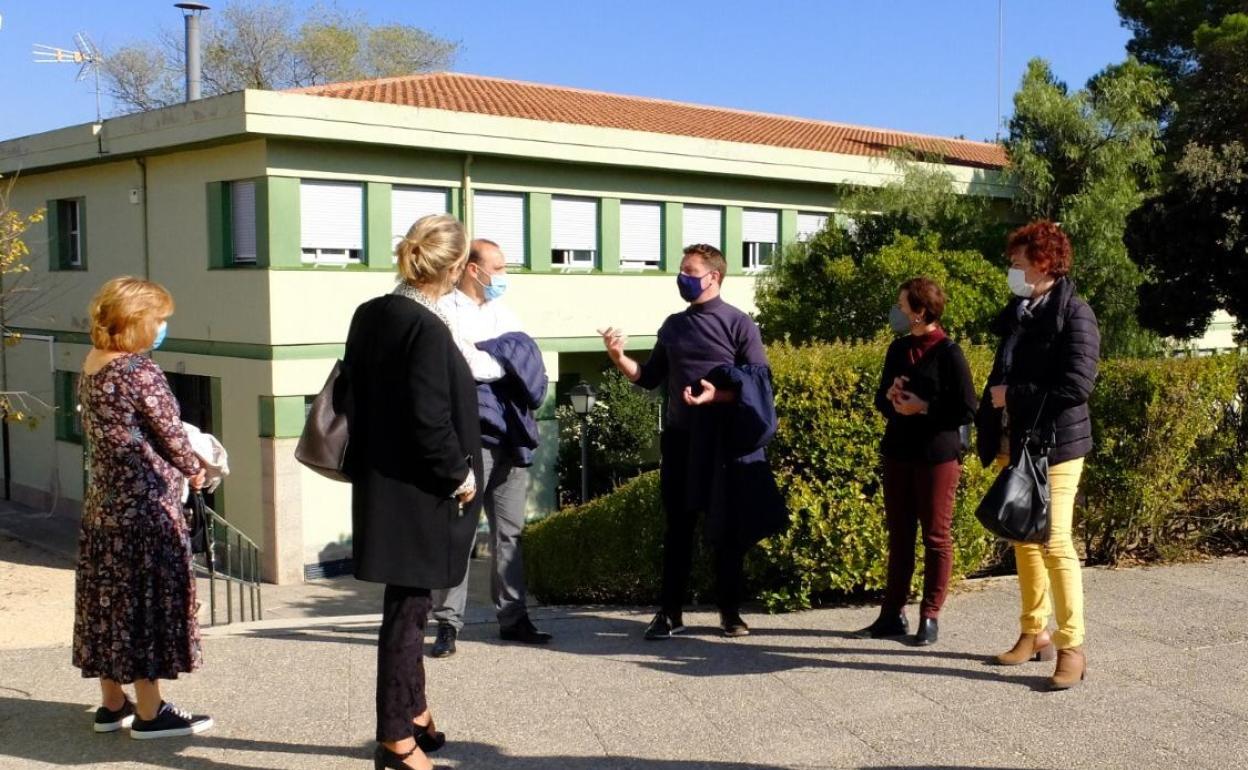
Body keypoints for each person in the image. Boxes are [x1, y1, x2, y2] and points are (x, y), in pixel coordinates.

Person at [344, 214, 482, 770]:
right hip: (420, 490)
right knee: (407, 616)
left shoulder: (371, 313)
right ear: (451, 268)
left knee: (411, 606)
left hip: (383, 482)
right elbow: (429, 418)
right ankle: (395, 740)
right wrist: (459, 474)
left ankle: (416, 711)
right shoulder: (425, 327)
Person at [600, 243, 787, 641]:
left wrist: (715, 397)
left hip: (723, 445)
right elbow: (650, 377)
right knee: (678, 528)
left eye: (689, 270)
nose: (681, 278)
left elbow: (758, 384)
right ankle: (670, 612)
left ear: (713, 276)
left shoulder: (740, 325)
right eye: (681, 271)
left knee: (727, 529)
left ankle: (730, 612)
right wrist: (618, 357)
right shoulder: (673, 325)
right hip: (681, 440)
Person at [73, 276, 213, 739]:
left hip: (104, 509)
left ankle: (113, 705)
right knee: (143, 606)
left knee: (108, 604)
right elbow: (171, 434)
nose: (161, 329)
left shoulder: (93, 364)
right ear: (135, 322)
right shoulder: (137, 370)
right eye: (158, 321)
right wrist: (195, 467)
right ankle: (152, 713)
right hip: (145, 509)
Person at [975, 220, 1099, 690]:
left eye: (1019, 263)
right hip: (1018, 441)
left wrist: (1015, 396)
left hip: (1059, 445)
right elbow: (998, 377)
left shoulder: (1076, 313)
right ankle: (1034, 632)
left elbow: (1077, 385)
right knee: (1023, 539)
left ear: (1044, 264)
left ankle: (1072, 647)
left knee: (1055, 542)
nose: (1013, 270)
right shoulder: (1018, 313)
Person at [430, 238, 551, 658]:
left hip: (511, 438)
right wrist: (504, 361)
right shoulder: (444, 310)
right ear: (471, 269)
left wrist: (495, 361)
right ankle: (447, 624)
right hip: (469, 438)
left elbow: (532, 364)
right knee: (459, 532)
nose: (502, 275)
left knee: (510, 533)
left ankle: (514, 618)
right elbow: (466, 365)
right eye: (497, 267)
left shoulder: (505, 313)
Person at [857, 278, 976, 646]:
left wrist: (922, 407)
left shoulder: (949, 352)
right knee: (900, 536)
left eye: (902, 304)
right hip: (898, 452)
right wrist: (892, 398)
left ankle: (930, 615)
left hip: (936, 456)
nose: (897, 310)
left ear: (920, 311)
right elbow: (880, 400)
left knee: (936, 537)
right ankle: (892, 614)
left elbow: (967, 408)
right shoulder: (898, 349)